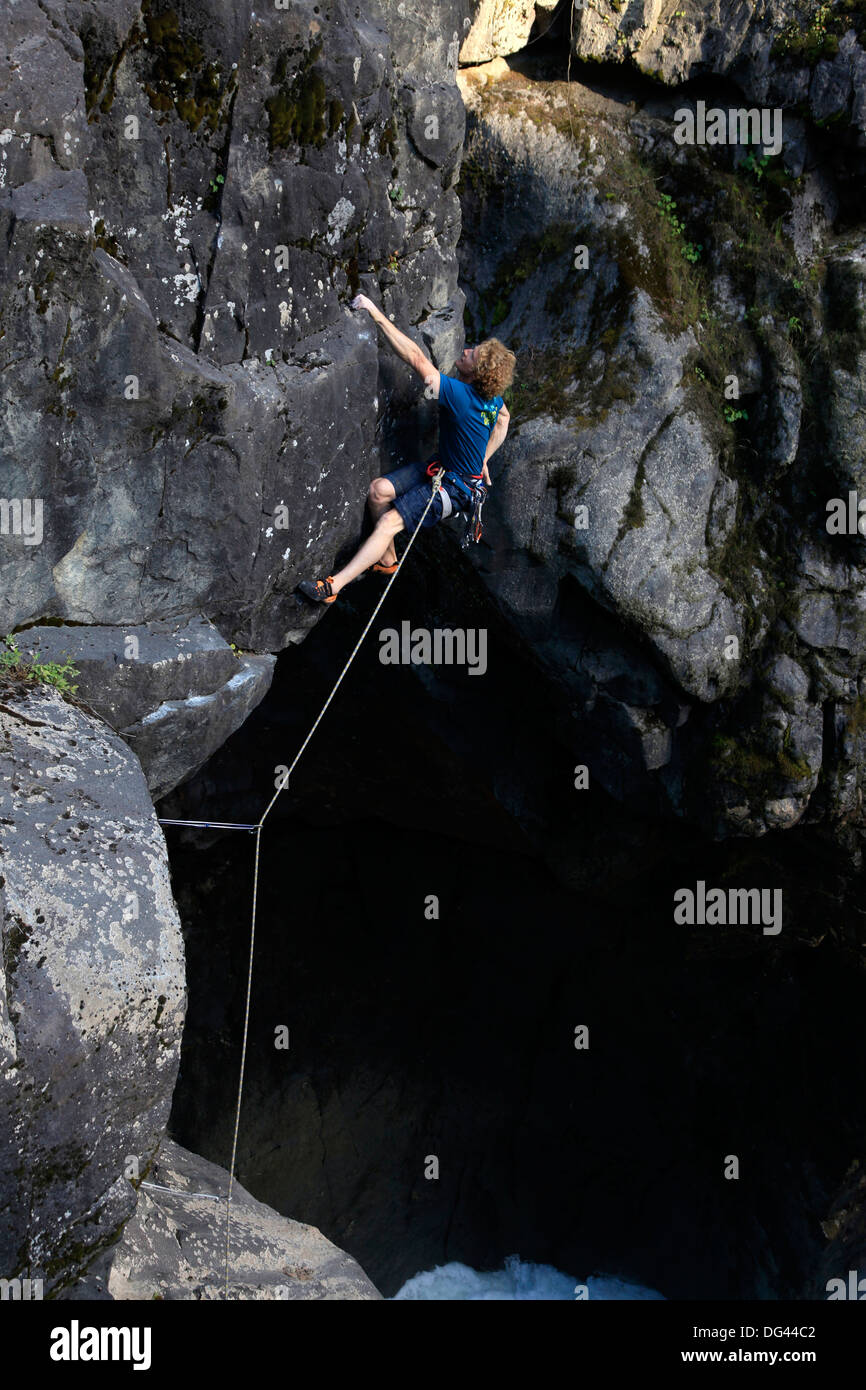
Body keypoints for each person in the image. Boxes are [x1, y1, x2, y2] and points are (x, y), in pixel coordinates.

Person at [297, 294, 515, 603]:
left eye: (471, 354)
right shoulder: (491, 401)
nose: (465, 351)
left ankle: (333, 587)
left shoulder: (460, 396)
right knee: (378, 492)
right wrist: (483, 459)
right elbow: (504, 420)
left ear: (475, 373)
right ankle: (387, 560)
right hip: (445, 468)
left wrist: (376, 314)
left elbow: (415, 358)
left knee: (388, 522)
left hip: (454, 490)